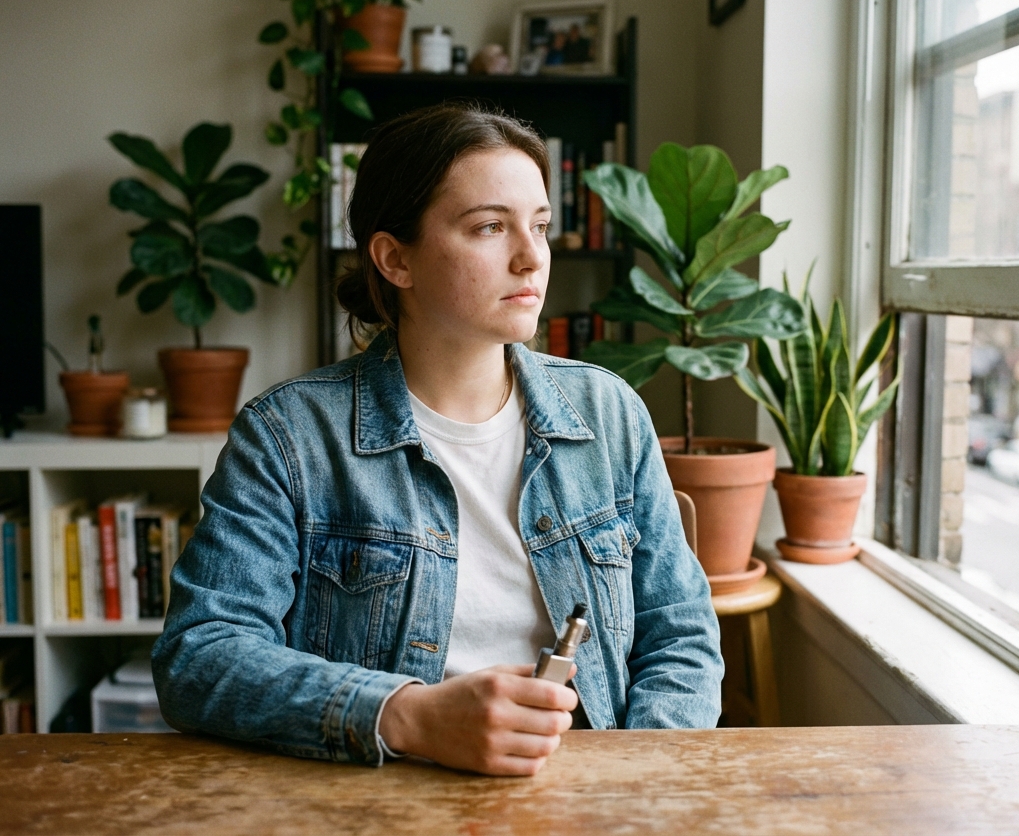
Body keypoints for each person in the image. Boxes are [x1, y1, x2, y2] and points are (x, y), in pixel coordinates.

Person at [152, 102, 724, 775]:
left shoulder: (610, 413)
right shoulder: (288, 437)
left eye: (539, 226)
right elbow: (201, 654)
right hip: (378, 791)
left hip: (587, 790)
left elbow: (681, 636)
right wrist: (409, 716)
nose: (531, 257)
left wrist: (631, 781)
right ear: (396, 259)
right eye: (489, 227)